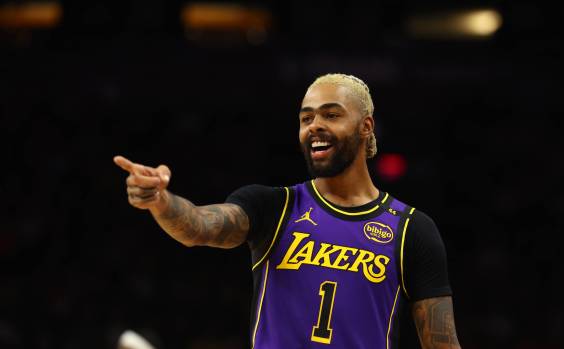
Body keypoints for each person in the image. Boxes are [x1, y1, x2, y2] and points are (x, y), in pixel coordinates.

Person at [113, 73, 461, 349]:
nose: (314, 125)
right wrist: (159, 199)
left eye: (331, 114)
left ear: (365, 126)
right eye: (306, 117)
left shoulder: (411, 229)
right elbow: (198, 226)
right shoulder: (274, 207)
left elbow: (442, 345)